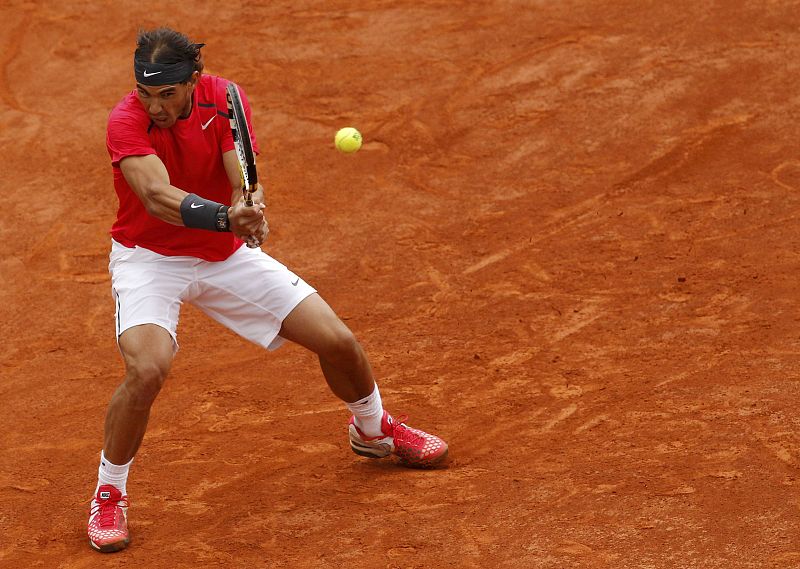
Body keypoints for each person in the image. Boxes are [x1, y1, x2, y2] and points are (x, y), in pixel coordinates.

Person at [87, 27, 448, 554]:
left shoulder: (224, 97)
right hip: (151, 260)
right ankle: (108, 492)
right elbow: (157, 196)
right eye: (145, 93)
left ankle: (374, 430)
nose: (154, 106)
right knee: (147, 369)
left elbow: (241, 175)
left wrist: (248, 205)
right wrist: (226, 217)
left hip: (224, 255)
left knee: (338, 341)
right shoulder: (126, 121)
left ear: (193, 81)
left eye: (166, 94)